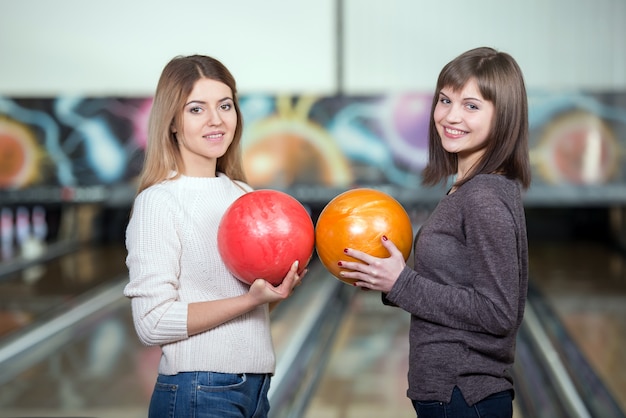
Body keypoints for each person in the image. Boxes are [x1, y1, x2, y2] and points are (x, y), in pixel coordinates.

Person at [338, 47, 531, 417]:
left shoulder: (484, 197)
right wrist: (387, 280)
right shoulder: (469, 189)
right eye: (445, 100)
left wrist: (401, 283)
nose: (450, 116)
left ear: (503, 116)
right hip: (454, 393)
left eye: (471, 106)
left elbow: (498, 312)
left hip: (465, 393)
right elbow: (453, 283)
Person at [124, 55, 305, 418]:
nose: (216, 120)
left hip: (255, 387)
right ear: (172, 122)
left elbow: (247, 298)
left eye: (225, 105)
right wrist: (249, 302)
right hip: (197, 391)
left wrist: (276, 291)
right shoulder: (158, 202)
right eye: (196, 109)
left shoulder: (242, 193)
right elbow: (152, 322)